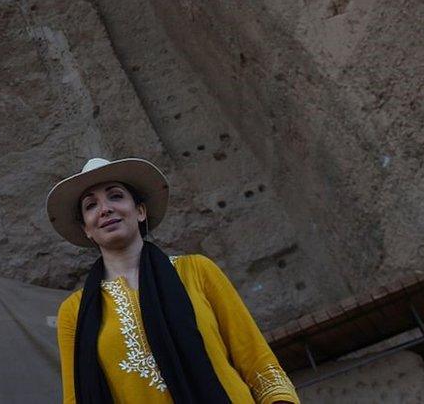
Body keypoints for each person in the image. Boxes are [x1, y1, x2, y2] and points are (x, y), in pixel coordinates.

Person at [48, 158, 299, 404]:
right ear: (87, 229)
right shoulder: (74, 312)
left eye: (115, 196)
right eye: (91, 205)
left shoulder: (197, 271)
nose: (105, 209)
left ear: (140, 211)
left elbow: (260, 365)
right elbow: (77, 398)